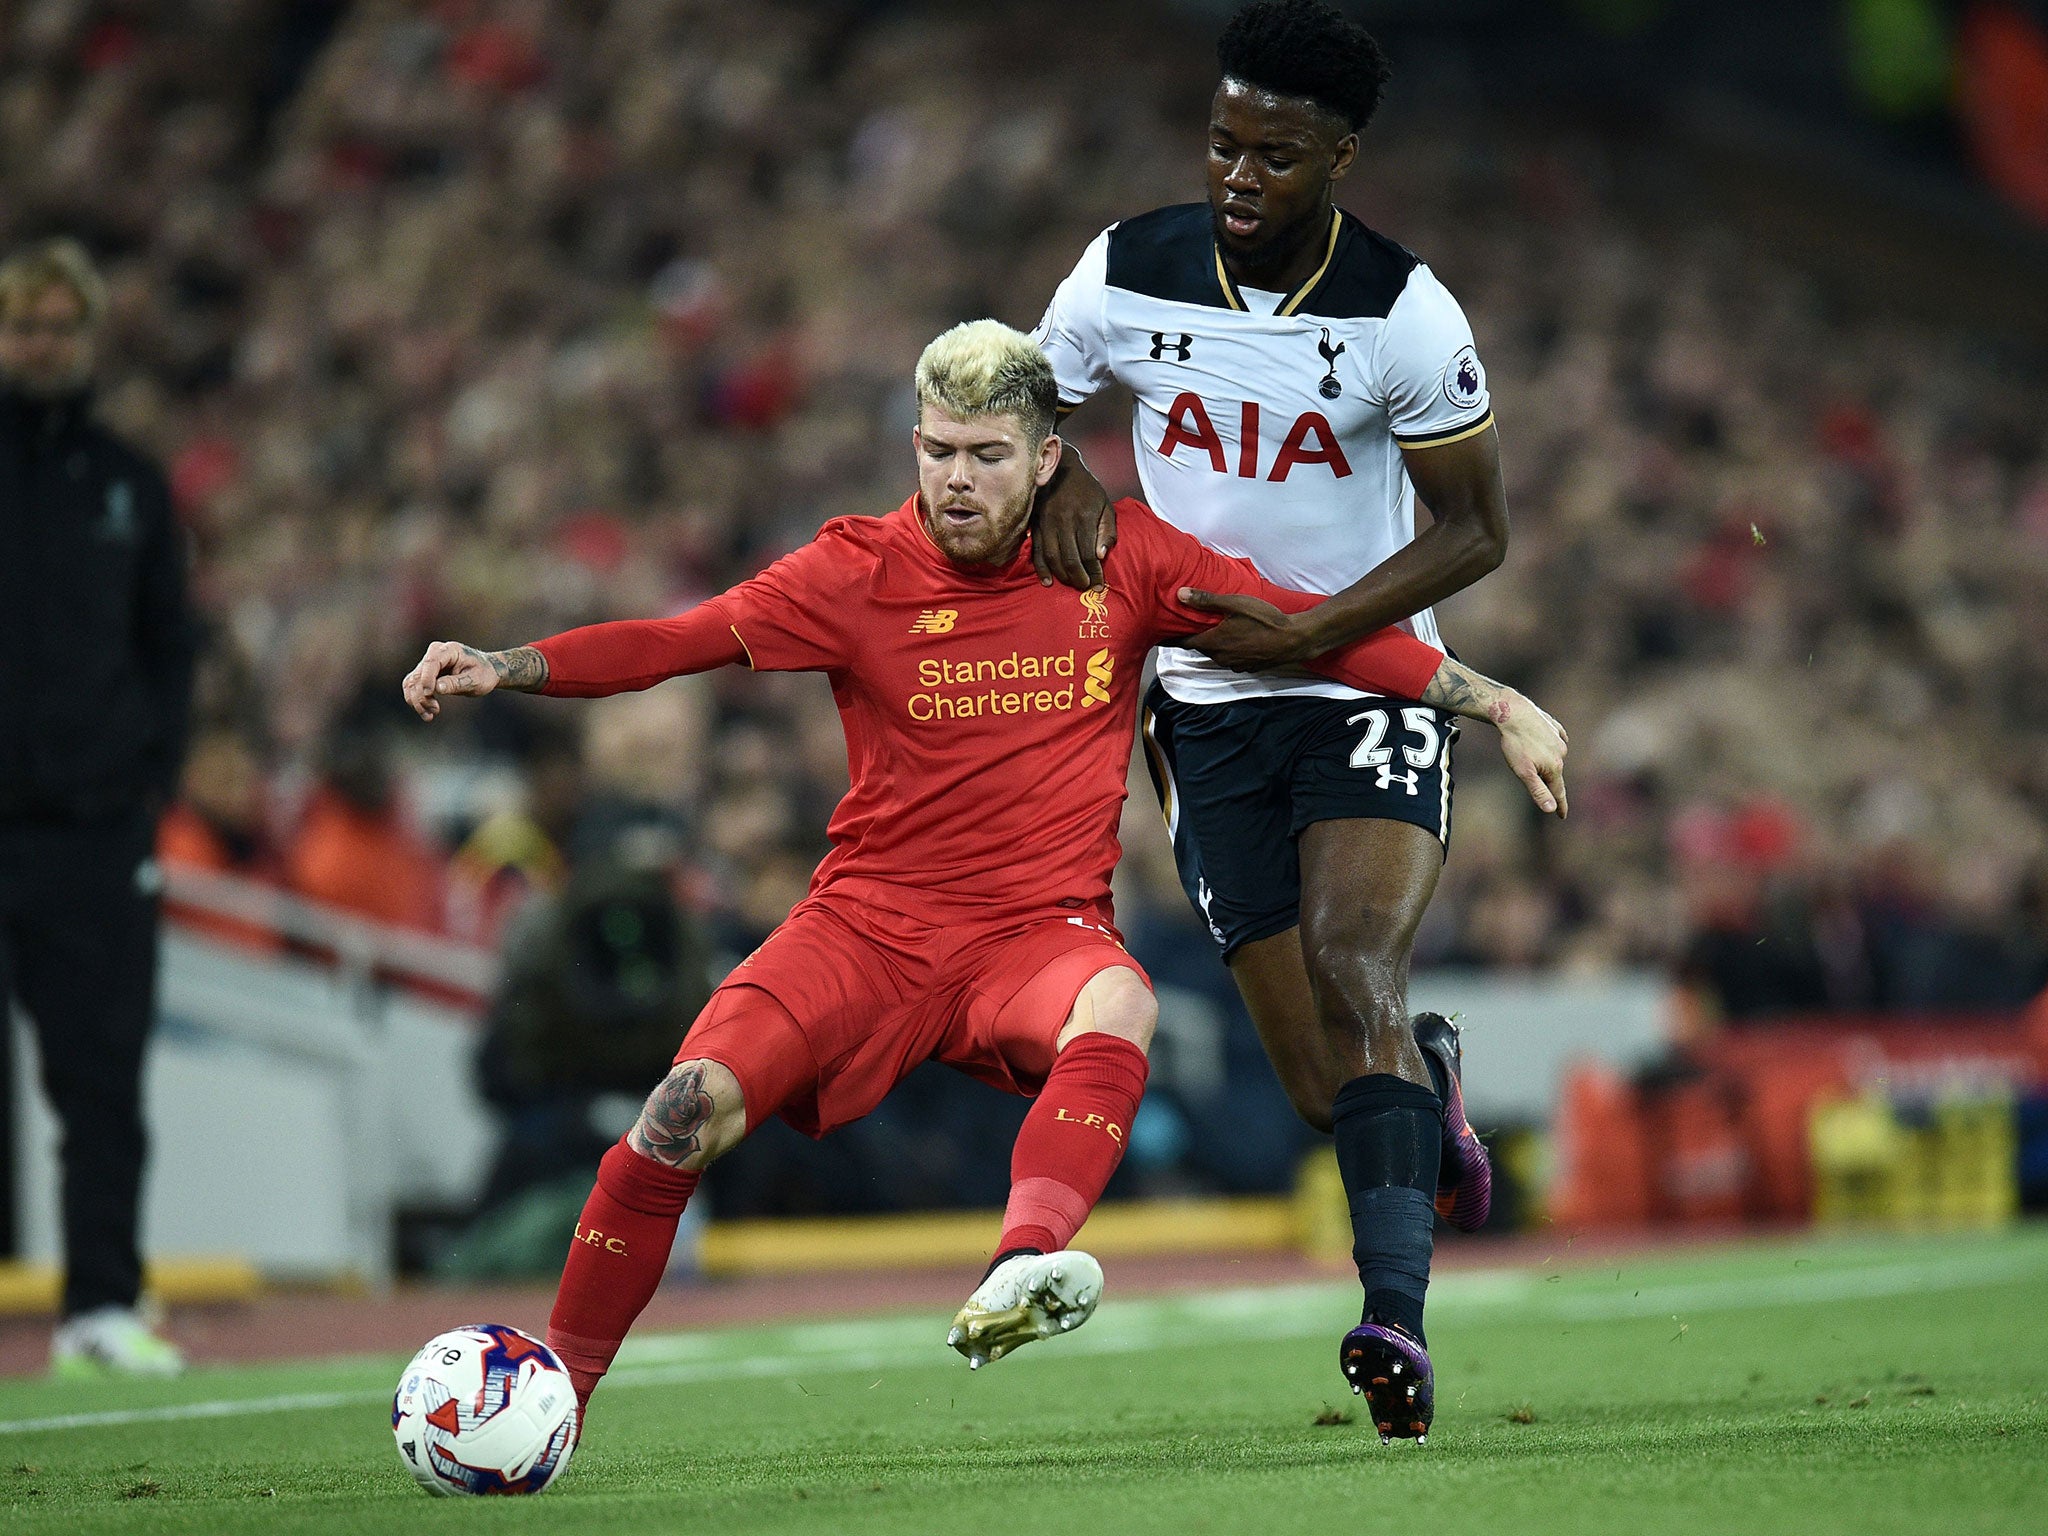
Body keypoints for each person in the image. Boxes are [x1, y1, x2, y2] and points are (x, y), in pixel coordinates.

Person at [403, 320, 1565, 1424]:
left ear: (1044, 457)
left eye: (986, 456)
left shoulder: (1124, 559)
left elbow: (1310, 622)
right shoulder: (850, 569)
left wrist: (1492, 698)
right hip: (864, 926)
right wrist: (508, 666)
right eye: (936, 450)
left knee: (1120, 997)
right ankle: (556, 1386)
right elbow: (673, 640)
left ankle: (1023, 1263)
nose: (955, 478)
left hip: (1033, 932)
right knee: (677, 1114)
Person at [1028, 0, 1542, 1439]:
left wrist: (1324, 632)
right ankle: (1425, 1092)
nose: (1237, 175)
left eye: (1273, 153)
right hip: (1201, 710)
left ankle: (1394, 1323)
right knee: (1327, 1085)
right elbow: (1017, 396)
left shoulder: (1404, 311)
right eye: (1221, 143)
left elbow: (1477, 528)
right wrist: (1064, 464)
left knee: (1353, 958)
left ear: (1340, 155)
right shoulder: (1129, 265)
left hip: (1361, 685)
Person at [0, 239, 195, 1376]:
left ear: (88, 338)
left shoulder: (128, 479)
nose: (42, 346)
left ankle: (101, 1307)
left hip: (92, 830)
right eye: (25, 326)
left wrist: (144, 781)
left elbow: (170, 645)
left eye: (59, 328)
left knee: (101, 1075)